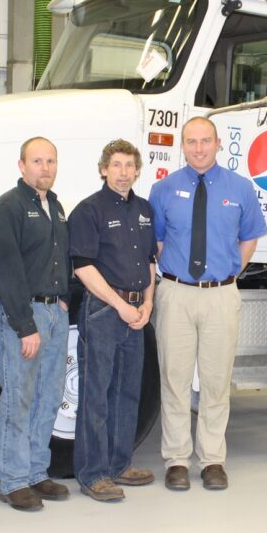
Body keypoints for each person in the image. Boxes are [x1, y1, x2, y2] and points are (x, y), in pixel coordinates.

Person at [148, 116, 267, 491]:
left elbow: (250, 237)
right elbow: (158, 243)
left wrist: (229, 271)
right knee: (174, 380)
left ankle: (213, 460)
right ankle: (177, 460)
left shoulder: (240, 188)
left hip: (220, 295)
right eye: (191, 141)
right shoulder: (163, 189)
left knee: (216, 381)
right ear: (182, 146)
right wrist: (179, 274)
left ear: (218, 144)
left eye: (205, 141)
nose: (198, 148)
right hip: (176, 293)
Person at [68, 140, 157, 502]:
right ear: (103, 169)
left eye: (129, 165)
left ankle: (120, 464)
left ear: (138, 170)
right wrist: (120, 305)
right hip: (104, 311)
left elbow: (150, 262)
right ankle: (93, 474)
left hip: (136, 312)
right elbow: (83, 267)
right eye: (116, 165)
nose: (123, 172)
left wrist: (148, 303)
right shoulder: (89, 210)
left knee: (127, 392)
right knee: (96, 394)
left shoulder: (145, 209)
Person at [0, 137, 71, 512]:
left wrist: (65, 299)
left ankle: (37, 472)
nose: (45, 168)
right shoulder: (6, 208)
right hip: (23, 315)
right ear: (22, 166)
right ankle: (14, 480)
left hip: (55, 314)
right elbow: (7, 270)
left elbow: (60, 257)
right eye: (37, 161)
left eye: (51, 161)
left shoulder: (56, 206)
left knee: (48, 397)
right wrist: (24, 326)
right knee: (18, 399)